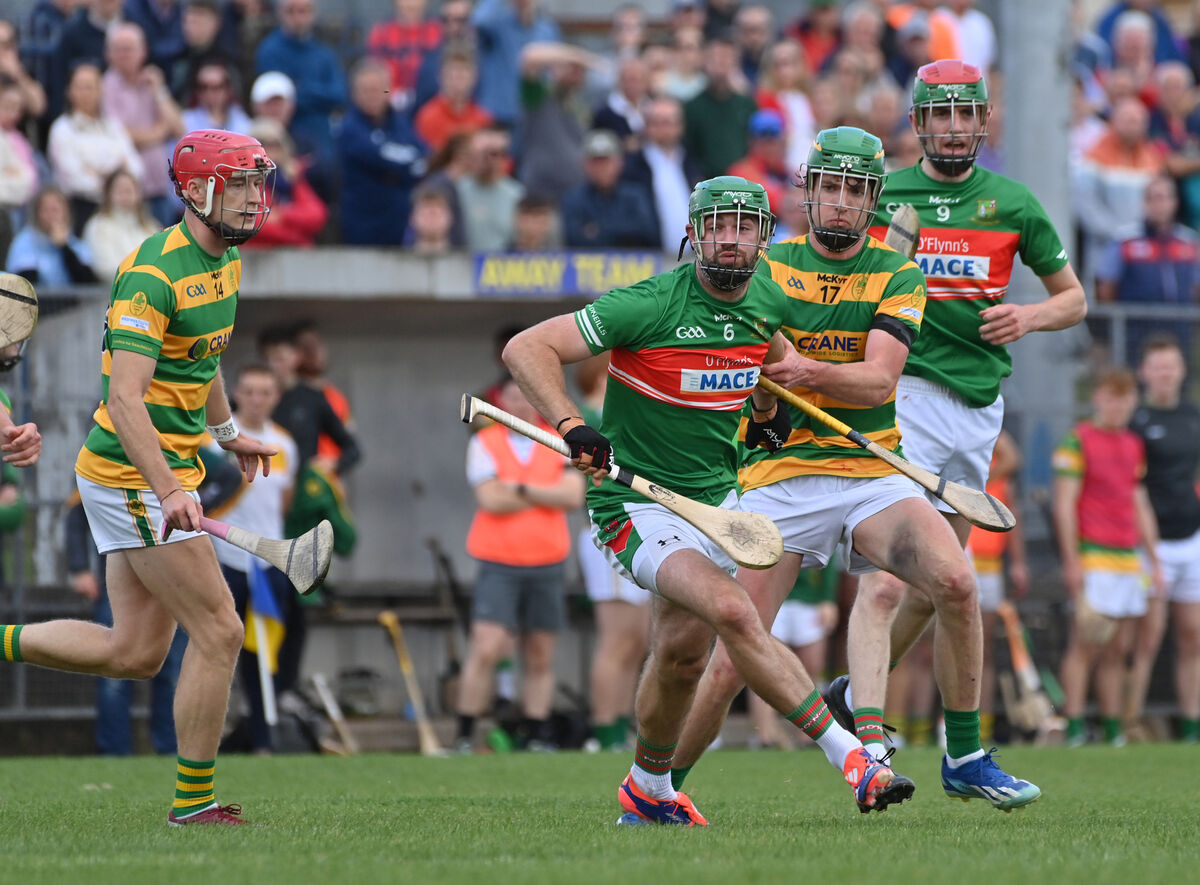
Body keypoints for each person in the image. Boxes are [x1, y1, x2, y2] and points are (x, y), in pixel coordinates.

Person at [503, 175, 907, 825]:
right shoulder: (652, 303)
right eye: (715, 225)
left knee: (682, 657)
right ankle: (855, 758)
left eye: (743, 226)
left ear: (763, 238)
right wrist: (571, 425)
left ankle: (647, 789)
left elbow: (770, 355)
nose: (728, 239)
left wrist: (769, 410)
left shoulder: (767, 297)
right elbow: (527, 347)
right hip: (636, 502)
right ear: (693, 235)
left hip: (718, 498)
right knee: (734, 611)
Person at [670, 127, 979, 812]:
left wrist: (806, 370)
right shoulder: (769, 267)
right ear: (810, 192)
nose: (840, 202)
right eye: (829, 187)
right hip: (781, 475)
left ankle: (967, 752)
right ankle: (658, 790)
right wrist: (765, 402)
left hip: (871, 469)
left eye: (855, 190)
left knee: (956, 578)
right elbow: (747, 366)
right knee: (727, 668)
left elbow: (875, 384)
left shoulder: (898, 273)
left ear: (873, 199)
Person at [821, 60, 1085, 807]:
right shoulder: (887, 194)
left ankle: (851, 695)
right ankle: (872, 747)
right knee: (883, 583)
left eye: (965, 113)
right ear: (918, 123)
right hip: (899, 397)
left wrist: (1029, 315)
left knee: (944, 587)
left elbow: (1075, 299)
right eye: (939, 114)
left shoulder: (1011, 202)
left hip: (977, 408)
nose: (953, 126)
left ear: (982, 120)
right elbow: (841, 275)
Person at [0, 129, 278, 826]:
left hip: (160, 466)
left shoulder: (227, 263)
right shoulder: (151, 273)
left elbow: (205, 356)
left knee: (134, 653)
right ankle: (193, 804)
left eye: (255, 183)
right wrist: (170, 490)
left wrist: (225, 435)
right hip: (131, 470)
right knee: (218, 628)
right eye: (235, 184)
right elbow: (125, 402)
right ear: (193, 191)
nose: (250, 199)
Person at [456, 375, 585, 753]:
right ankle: (465, 732)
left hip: (547, 557)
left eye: (528, 396)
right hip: (499, 558)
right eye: (512, 396)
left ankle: (536, 732)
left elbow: (572, 495)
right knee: (487, 646)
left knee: (540, 650)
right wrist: (546, 494)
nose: (520, 404)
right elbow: (490, 500)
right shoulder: (485, 441)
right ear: (500, 402)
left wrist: (519, 488)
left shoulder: (558, 441)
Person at [1054, 368, 1162, 748]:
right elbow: (1064, 505)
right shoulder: (1077, 440)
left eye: (1125, 398)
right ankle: (1073, 726)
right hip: (1095, 555)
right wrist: (1072, 560)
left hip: (1128, 557)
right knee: (1085, 644)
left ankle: (1114, 730)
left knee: (1119, 648)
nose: (1118, 405)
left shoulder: (1134, 443)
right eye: (1111, 396)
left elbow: (1138, 501)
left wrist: (1155, 558)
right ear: (1097, 397)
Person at [207, 363, 298, 755]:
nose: (257, 400)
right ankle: (215, 734)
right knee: (221, 645)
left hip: (269, 562)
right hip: (226, 557)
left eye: (266, 392)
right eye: (250, 391)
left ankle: (263, 738)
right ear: (236, 394)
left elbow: (284, 501)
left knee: (264, 653)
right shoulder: (214, 441)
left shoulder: (285, 443)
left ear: (276, 397)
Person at [574, 354, 649, 753]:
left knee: (637, 640)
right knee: (616, 639)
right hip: (610, 526)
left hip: (641, 526)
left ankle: (619, 727)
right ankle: (602, 732)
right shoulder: (589, 413)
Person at [1129, 335, 1200, 743]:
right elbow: (1135, 489)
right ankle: (1130, 723)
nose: (1165, 373)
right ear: (1145, 372)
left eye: (1171, 365)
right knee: (1149, 637)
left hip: (1190, 539)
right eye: (1157, 366)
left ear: (1182, 370)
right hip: (1151, 546)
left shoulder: (1192, 416)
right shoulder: (1137, 421)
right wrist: (1152, 552)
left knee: (1192, 635)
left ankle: (1190, 726)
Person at [964, 429, 1029, 744]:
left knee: (981, 649)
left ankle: (979, 728)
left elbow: (1013, 457)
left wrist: (1018, 563)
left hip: (989, 567)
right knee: (929, 648)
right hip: (956, 558)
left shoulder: (995, 475)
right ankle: (916, 730)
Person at [1094, 175, 1200, 367]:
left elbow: (1196, 287)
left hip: (1179, 330)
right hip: (1135, 332)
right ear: (1144, 203)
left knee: (1178, 387)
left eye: (1164, 197)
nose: (1159, 204)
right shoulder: (1125, 240)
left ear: (1174, 202)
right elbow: (1106, 286)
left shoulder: (1189, 242)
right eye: (1153, 198)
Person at [5, 186, 99, 286]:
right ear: (37, 214)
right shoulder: (24, 242)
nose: (51, 216)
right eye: (45, 210)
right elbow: (27, 282)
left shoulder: (75, 244)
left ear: (66, 212)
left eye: (55, 210)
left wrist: (64, 247)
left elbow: (87, 282)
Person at [82, 168, 161, 282]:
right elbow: (104, 268)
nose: (125, 196)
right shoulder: (98, 226)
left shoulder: (150, 226)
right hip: (113, 295)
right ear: (108, 194)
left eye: (129, 190)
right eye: (119, 191)